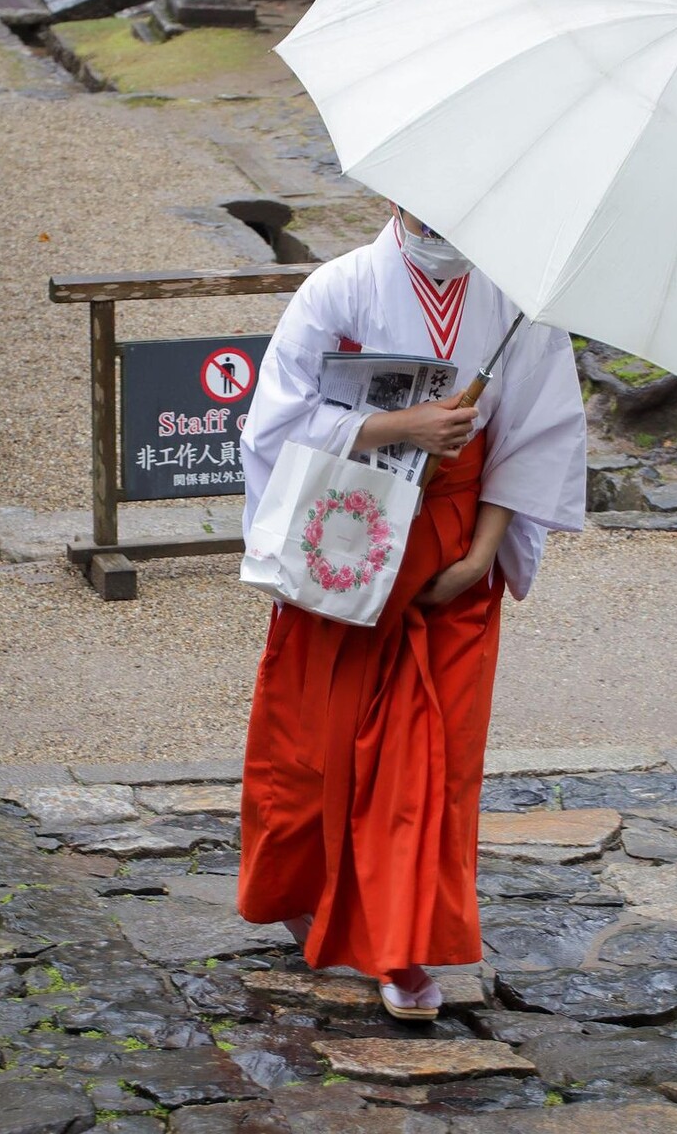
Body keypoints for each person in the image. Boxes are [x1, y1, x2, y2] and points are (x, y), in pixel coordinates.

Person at [237, 203, 586, 1020]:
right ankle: (305, 890)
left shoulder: (517, 304)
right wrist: (400, 425)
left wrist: (475, 559)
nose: (439, 219)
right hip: (347, 536)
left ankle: (399, 947)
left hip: (455, 558)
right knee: (316, 741)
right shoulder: (340, 289)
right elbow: (274, 421)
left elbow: (536, 439)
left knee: (435, 760)